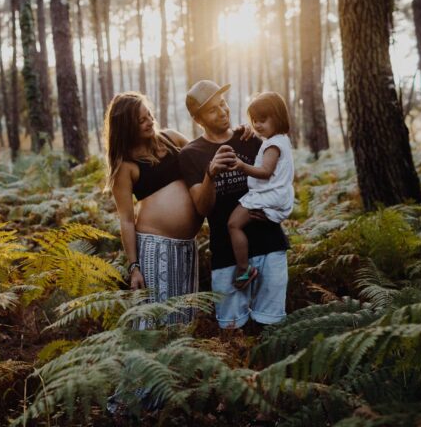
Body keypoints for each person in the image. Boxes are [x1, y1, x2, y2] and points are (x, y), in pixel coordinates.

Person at [178, 80, 290, 331]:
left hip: (269, 245)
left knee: (272, 327)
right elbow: (203, 209)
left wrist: (274, 211)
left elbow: (277, 180)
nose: (223, 111)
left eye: (223, 103)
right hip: (227, 256)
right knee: (231, 330)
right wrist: (210, 174)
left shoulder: (250, 138)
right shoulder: (190, 154)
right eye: (212, 109)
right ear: (199, 119)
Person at [104, 91, 201, 326]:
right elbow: (126, 220)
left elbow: (205, 154)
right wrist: (134, 267)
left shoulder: (171, 138)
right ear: (126, 127)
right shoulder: (125, 167)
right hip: (155, 250)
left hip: (187, 248)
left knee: (184, 320)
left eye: (149, 115)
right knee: (156, 320)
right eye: (141, 120)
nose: (150, 122)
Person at [227, 92, 295, 290]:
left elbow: (265, 172)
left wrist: (241, 166)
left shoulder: (272, 145)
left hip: (267, 195)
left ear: (278, 117)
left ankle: (243, 268)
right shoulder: (282, 140)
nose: (257, 125)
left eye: (262, 120)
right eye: (254, 120)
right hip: (277, 194)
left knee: (233, 224)